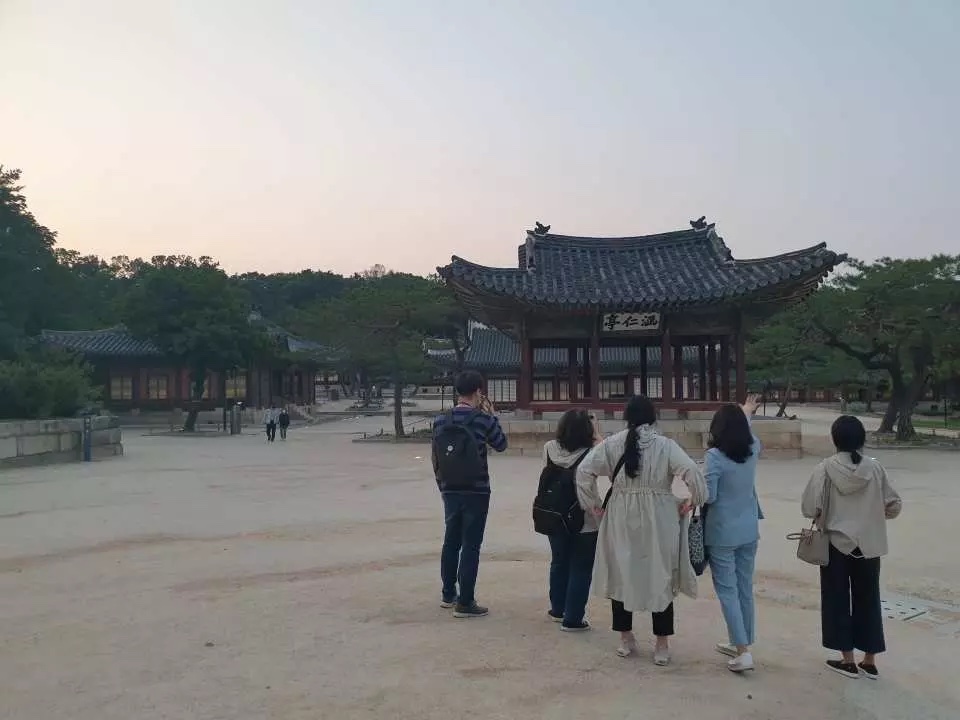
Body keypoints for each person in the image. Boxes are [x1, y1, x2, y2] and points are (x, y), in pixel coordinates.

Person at [577, 395, 705, 665]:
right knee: (660, 574)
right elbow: (692, 471)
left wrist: (594, 504)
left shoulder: (612, 443)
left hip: (620, 514)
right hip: (659, 516)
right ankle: (662, 644)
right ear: (653, 417)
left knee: (621, 573)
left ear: (627, 417)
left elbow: (584, 471)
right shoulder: (666, 445)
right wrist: (695, 499)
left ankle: (625, 638)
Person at [802, 415, 902, 680]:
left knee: (836, 599)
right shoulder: (875, 468)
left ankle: (847, 660)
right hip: (869, 543)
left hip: (836, 543)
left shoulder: (824, 469)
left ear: (835, 439)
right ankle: (869, 660)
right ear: (861, 439)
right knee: (868, 598)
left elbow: (810, 508)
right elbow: (894, 505)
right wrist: (874, 514)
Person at [431, 370, 508, 618]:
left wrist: (442, 484)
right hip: (477, 489)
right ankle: (465, 602)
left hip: (449, 488)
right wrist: (492, 416)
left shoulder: (440, 420)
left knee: (451, 541)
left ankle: (448, 594)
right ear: (478, 391)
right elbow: (501, 444)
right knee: (471, 545)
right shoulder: (483, 420)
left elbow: (436, 455)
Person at [703, 395, 763, 673]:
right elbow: (745, 431)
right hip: (749, 528)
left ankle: (742, 650)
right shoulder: (753, 448)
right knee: (744, 588)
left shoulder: (714, 457)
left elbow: (710, 496)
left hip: (722, 532)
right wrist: (746, 412)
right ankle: (742, 641)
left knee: (727, 591)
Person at [541, 409, 602, 632]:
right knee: (581, 567)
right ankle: (573, 617)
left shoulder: (549, 448)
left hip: (555, 513)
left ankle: (557, 609)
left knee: (559, 562)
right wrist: (596, 432)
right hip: (584, 515)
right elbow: (609, 458)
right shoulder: (592, 452)